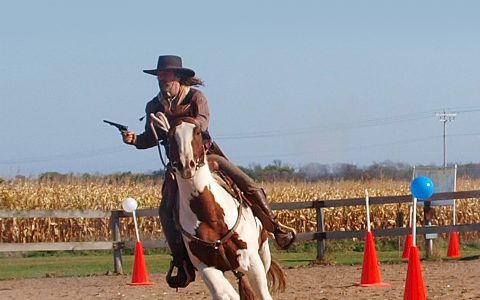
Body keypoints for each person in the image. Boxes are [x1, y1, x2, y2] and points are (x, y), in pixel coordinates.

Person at [121, 55, 295, 288]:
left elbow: (201, 123)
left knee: (248, 184)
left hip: (206, 155)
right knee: (166, 209)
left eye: (166, 75)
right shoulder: (153, 105)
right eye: (159, 76)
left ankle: (275, 227)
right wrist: (134, 140)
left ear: (178, 77)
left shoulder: (195, 97)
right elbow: (150, 138)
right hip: (176, 163)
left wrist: (173, 127)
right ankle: (182, 260)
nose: (162, 79)